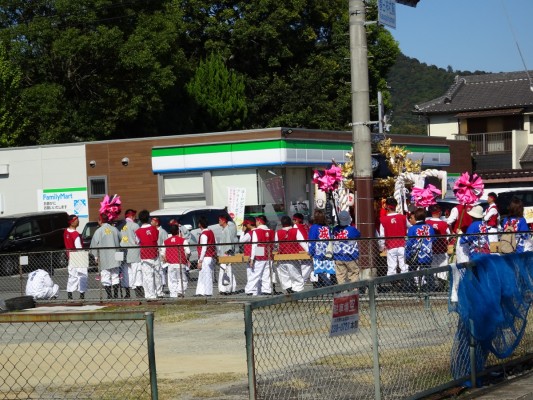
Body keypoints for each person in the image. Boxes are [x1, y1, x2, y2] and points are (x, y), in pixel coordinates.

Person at [90, 213, 121, 299]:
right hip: (116, 255)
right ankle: (115, 295)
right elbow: (121, 239)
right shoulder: (114, 229)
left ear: (100, 221)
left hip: (104, 256)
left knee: (105, 276)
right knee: (115, 275)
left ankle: (109, 295)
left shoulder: (98, 231)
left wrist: (96, 256)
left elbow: (94, 244)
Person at [406, 208, 435, 291]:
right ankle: (427, 287)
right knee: (427, 271)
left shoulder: (412, 229)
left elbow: (409, 243)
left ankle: (415, 287)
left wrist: (407, 255)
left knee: (413, 271)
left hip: (416, 255)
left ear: (415, 217)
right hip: (428, 254)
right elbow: (434, 240)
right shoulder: (430, 227)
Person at [275, 215, 305, 294]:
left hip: (282, 258)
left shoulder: (278, 232)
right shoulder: (295, 231)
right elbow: (302, 242)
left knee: (284, 276)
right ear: (290, 222)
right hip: (293, 257)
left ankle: (289, 290)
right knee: (296, 275)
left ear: (282, 223)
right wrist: (308, 251)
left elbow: (275, 244)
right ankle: (297, 292)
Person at [378, 198, 408, 276]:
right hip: (402, 245)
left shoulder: (383, 219)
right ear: (396, 205)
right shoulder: (403, 217)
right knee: (404, 266)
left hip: (390, 246)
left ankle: (393, 285)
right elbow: (410, 227)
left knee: (391, 268)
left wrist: (381, 247)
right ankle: (406, 284)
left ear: (387, 206)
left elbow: (382, 235)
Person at [246, 215, 275, 296]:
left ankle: (250, 290)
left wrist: (252, 258)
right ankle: (267, 290)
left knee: (255, 273)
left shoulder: (256, 231)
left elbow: (254, 245)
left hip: (259, 251)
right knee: (267, 274)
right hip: (269, 251)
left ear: (259, 221)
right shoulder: (271, 231)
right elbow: (275, 243)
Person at [161, 219, 190, 298]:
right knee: (182, 279)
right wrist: (186, 259)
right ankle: (180, 292)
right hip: (180, 262)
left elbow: (163, 253)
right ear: (178, 231)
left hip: (170, 263)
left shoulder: (166, 241)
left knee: (172, 280)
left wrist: (165, 259)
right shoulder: (183, 240)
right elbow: (187, 252)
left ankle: (173, 294)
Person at [135, 209, 160, 300]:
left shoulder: (138, 231)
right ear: (149, 218)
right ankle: (158, 292)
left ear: (140, 220)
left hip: (145, 255)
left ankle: (149, 294)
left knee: (147, 276)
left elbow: (137, 242)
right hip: (155, 253)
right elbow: (156, 238)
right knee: (157, 274)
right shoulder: (154, 229)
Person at [332, 210, 361, 284]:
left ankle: (343, 292)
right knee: (353, 273)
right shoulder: (352, 229)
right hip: (351, 256)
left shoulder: (335, 229)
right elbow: (358, 235)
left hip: (338, 256)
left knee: (341, 276)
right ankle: (354, 291)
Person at [308, 209, 336, 287]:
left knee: (319, 270)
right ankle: (330, 285)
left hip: (318, 251)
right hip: (328, 250)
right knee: (328, 270)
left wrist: (311, 252)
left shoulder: (314, 228)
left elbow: (312, 241)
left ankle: (328, 285)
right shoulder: (327, 227)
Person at [63, 214, 87, 300]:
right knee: (82, 276)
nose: (78, 221)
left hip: (71, 256)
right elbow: (78, 247)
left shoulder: (66, 231)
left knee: (72, 276)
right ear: (72, 222)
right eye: (76, 220)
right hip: (78, 255)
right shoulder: (76, 234)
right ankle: (82, 295)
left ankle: (70, 294)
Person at [120, 209, 142, 298]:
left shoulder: (121, 225)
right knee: (136, 272)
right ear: (132, 216)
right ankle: (138, 293)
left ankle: (127, 293)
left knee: (126, 273)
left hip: (124, 251)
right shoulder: (135, 225)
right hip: (134, 251)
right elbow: (138, 239)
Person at [426, 204, 450, 280]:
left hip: (430, 248)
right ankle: (442, 281)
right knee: (443, 266)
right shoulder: (444, 223)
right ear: (439, 213)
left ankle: (433, 281)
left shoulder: (427, 222)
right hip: (442, 248)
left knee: (433, 266)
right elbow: (448, 234)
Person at [195, 216, 217, 296]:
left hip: (206, 257)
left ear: (200, 224)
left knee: (207, 275)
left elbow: (204, 248)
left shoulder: (204, 234)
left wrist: (200, 260)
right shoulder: (211, 232)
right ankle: (200, 291)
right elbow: (215, 243)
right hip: (210, 255)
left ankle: (208, 292)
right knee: (203, 274)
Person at [217, 214, 238, 295]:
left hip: (226, 254)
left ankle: (228, 289)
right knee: (226, 271)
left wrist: (226, 252)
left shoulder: (227, 230)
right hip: (223, 253)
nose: (218, 222)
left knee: (227, 271)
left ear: (223, 221)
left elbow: (229, 243)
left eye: (219, 220)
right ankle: (228, 288)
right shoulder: (224, 229)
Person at [292, 213, 312, 283]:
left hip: (300, 249)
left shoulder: (295, 226)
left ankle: (301, 281)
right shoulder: (306, 226)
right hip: (307, 247)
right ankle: (302, 280)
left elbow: (300, 240)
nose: (293, 221)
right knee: (306, 266)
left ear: (296, 220)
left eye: (294, 220)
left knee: (302, 267)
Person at [151, 217, 168, 297]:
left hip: (161, 254)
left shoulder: (162, 231)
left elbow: (166, 243)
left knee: (161, 272)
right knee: (156, 272)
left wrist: (165, 255)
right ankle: (157, 288)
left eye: (152, 221)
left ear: (157, 223)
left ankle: (162, 288)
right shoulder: (152, 231)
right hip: (154, 254)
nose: (151, 222)